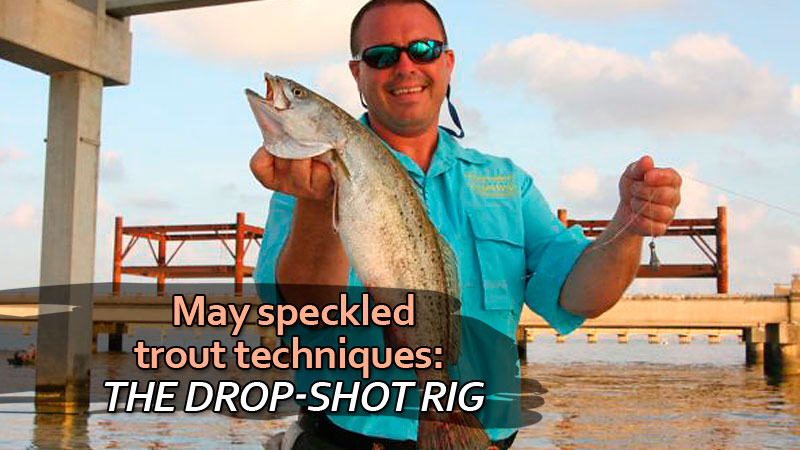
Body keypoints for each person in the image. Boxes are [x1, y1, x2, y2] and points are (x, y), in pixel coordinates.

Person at [250, 1, 682, 448]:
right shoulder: (305, 182)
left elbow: (580, 295)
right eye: (381, 55)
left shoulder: (507, 183)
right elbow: (302, 311)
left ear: (448, 62)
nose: (404, 66)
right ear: (357, 73)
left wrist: (628, 228)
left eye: (423, 49)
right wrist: (321, 205)